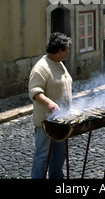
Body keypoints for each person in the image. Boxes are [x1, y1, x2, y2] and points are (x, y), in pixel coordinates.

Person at [29, 32, 72, 178]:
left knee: (59, 156)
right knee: (42, 156)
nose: (69, 51)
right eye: (67, 48)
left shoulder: (59, 64)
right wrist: (49, 102)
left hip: (61, 120)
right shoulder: (41, 67)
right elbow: (34, 92)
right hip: (46, 121)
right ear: (60, 49)